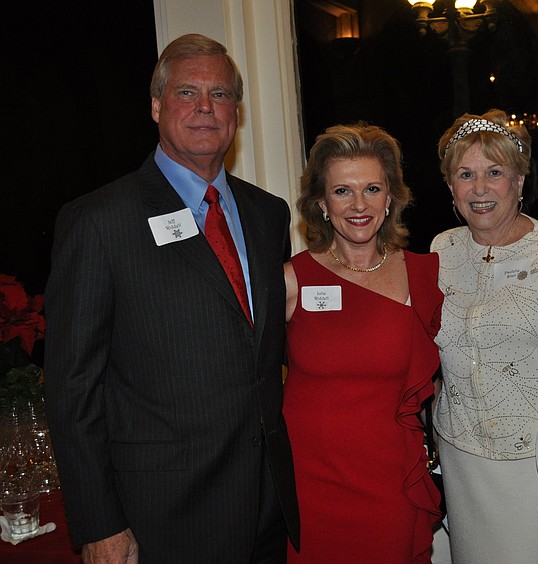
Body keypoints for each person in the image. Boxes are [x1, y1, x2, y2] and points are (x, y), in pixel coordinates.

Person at [44, 34, 299, 563]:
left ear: (237, 111)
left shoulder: (267, 215)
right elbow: (73, 390)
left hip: (266, 512)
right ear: (157, 105)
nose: (206, 107)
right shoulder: (98, 222)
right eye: (188, 92)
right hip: (159, 519)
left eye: (221, 94)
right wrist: (99, 524)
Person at [430, 109, 538, 563]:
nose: (481, 188)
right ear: (450, 186)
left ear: (520, 180)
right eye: (465, 175)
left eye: (495, 173)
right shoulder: (441, 250)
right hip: (462, 459)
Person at [282, 123, 443, 562]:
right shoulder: (291, 280)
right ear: (320, 203)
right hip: (309, 483)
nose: (359, 205)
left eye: (372, 188)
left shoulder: (423, 276)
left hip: (390, 479)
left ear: (391, 198)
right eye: (342, 191)